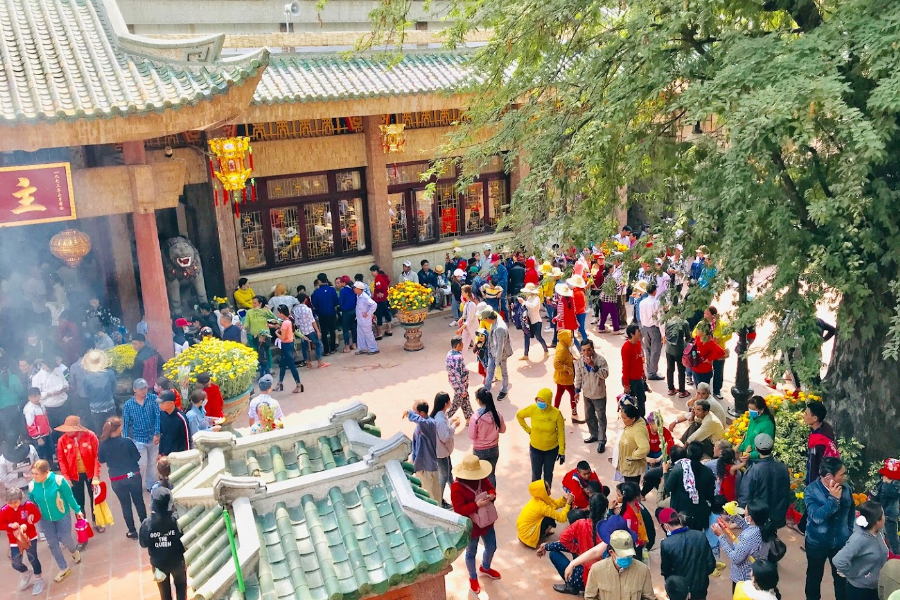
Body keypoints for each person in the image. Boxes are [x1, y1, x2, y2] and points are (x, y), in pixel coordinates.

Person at [805, 456, 855, 600]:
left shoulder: (846, 489)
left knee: (841, 580)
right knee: (814, 578)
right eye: (842, 474)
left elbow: (851, 512)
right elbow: (816, 517)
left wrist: (849, 532)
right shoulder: (811, 490)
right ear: (828, 476)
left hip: (840, 544)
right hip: (816, 543)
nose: (845, 477)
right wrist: (833, 500)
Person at [537, 492, 607, 594]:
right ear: (605, 510)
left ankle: (570, 586)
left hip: (581, 579)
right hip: (602, 580)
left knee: (553, 553)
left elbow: (564, 540)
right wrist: (547, 546)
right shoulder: (609, 528)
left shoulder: (580, 524)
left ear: (589, 508)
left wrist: (577, 549)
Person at [450, 454, 500, 594]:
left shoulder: (481, 478)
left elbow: (490, 487)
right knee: (471, 553)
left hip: (487, 522)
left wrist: (492, 494)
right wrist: (476, 505)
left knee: (492, 546)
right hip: (471, 526)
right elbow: (459, 509)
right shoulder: (456, 488)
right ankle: (473, 577)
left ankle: (485, 567)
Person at [27, 460, 82, 582]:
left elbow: (69, 497)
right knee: (52, 543)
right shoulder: (32, 486)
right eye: (33, 474)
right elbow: (31, 503)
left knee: (65, 538)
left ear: (46, 472)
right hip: (45, 519)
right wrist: (31, 513)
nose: (34, 477)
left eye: (37, 474)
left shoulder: (59, 481)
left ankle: (74, 551)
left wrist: (78, 510)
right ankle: (63, 568)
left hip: (62, 515)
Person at [98, 417, 146, 540]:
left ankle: (132, 531)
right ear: (118, 428)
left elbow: (101, 459)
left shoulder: (103, 444)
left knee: (125, 505)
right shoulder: (127, 442)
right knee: (139, 502)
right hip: (133, 476)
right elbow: (137, 456)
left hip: (116, 479)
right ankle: (145, 528)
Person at [711, 500, 776, 587]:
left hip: (744, 578)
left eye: (744, 513)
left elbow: (735, 558)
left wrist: (721, 536)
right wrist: (732, 514)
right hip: (756, 570)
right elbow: (746, 525)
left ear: (749, 518)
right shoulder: (763, 526)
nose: (743, 513)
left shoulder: (748, 537)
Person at [54, 416, 102, 532]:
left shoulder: (90, 435)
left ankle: (97, 521)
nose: (67, 432)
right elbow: (62, 460)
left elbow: (97, 456)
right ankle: (82, 525)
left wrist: (96, 474)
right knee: (78, 503)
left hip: (91, 474)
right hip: (74, 476)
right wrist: (66, 477)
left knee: (95, 499)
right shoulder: (62, 440)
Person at [833, 500, 889, 600]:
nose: (885, 518)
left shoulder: (879, 532)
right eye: (883, 515)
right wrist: (854, 574)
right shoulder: (859, 539)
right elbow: (839, 560)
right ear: (877, 521)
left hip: (875, 586)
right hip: (860, 590)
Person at [140, 487, 187, 600]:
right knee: (181, 589)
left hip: (158, 565)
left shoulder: (147, 524)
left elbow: (143, 543)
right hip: (177, 562)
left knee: (164, 593)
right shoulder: (176, 520)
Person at [659, 508, 716, 600]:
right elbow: (711, 564)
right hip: (700, 588)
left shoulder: (666, 544)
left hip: (680, 591)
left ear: (665, 526)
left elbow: (666, 571)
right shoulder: (700, 535)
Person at [583, 529, 657, 600]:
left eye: (629, 555)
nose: (627, 558)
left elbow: (649, 598)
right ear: (612, 553)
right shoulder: (597, 570)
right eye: (623, 555)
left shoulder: (642, 570)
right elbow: (590, 597)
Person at [737, 434, 790, 528]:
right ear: (772, 447)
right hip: (777, 516)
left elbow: (744, 496)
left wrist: (743, 516)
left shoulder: (754, 470)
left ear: (756, 449)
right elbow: (786, 493)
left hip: (759, 517)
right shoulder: (783, 467)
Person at [517, 388, 566, 487]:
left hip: (551, 450)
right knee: (536, 475)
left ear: (548, 401)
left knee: (548, 474)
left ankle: (546, 497)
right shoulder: (532, 409)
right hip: (535, 449)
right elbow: (519, 415)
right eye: (538, 400)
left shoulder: (556, 414)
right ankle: (536, 499)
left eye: (543, 401)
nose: (540, 403)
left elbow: (561, 433)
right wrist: (528, 430)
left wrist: (562, 451)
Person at [0, 486, 45, 595]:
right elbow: (1, 524)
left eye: (16, 502)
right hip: (14, 540)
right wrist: (10, 525)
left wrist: (32, 517)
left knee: (33, 558)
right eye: (10, 503)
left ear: (21, 499)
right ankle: (25, 572)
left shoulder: (28, 505)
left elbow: (38, 516)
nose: (14, 505)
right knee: (15, 561)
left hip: (30, 537)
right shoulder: (4, 510)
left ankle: (39, 579)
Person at [665, 442, 716, 531]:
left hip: (680, 511)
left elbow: (668, 487)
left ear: (688, 452)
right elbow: (710, 494)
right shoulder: (707, 472)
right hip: (698, 512)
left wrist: (665, 472)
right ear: (702, 455)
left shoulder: (679, 468)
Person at [122, 378, 161, 491]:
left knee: (152, 463)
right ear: (134, 389)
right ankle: (136, 485)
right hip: (138, 438)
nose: (143, 390)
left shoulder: (153, 399)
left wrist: (157, 433)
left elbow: (158, 416)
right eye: (141, 388)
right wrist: (125, 441)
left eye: (145, 388)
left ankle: (150, 485)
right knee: (141, 463)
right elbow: (126, 423)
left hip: (152, 436)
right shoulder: (128, 405)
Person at [575, 339, 611, 453]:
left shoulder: (600, 360)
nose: (586, 353)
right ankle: (594, 434)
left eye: (588, 350)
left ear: (593, 349)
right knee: (589, 416)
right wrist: (577, 391)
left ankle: (601, 440)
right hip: (587, 394)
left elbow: (605, 374)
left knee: (601, 418)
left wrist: (593, 366)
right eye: (583, 350)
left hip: (598, 393)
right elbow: (579, 377)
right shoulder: (580, 362)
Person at [402, 401, 441, 503]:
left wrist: (409, 413)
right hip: (420, 465)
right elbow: (416, 444)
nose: (414, 414)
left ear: (422, 413)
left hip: (429, 467)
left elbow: (421, 421)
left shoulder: (430, 424)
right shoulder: (420, 426)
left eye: (415, 412)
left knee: (432, 497)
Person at [517, 479, 574, 548]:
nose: (550, 489)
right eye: (548, 488)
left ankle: (543, 533)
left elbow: (555, 504)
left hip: (523, 532)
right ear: (543, 491)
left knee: (550, 515)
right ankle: (536, 541)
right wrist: (568, 503)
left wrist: (563, 499)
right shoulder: (542, 506)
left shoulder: (539, 498)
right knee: (551, 519)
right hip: (528, 536)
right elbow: (562, 518)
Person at [469, 388, 505, 488]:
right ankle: (492, 497)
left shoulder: (476, 417)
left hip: (480, 450)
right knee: (491, 474)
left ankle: (481, 498)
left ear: (479, 401)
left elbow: (472, 436)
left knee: (479, 476)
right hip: (494, 448)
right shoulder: (497, 414)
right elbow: (502, 430)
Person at [692, 307, 731, 399]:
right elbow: (694, 334)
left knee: (718, 371)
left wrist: (720, 338)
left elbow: (729, 335)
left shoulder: (722, 324)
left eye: (707, 314)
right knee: (704, 373)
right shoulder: (701, 324)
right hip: (705, 351)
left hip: (716, 350)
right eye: (704, 313)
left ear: (713, 315)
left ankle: (717, 390)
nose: (705, 315)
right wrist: (702, 339)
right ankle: (702, 393)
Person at [31, 358, 68, 447]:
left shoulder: (58, 371)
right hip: (49, 408)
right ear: (43, 365)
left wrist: (64, 388)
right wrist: (50, 393)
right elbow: (36, 395)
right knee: (54, 431)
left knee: (65, 429)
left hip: (63, 404)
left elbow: (65, 383)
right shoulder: (37, 378)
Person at [80, 349, 117, 436]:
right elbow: (114, 389)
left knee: (100, 432)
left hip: (95, 409)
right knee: (113, 429)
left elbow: (86, 394)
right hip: (109, 405)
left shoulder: (86, 378)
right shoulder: (110, 373)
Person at [431, 393, 458, 507]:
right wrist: (454, 426)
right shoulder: (440, 419)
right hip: (441, 453)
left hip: (443, 451)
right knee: (444, 477)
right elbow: (445, 436)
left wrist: (451, 421)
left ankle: (456, 493)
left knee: (448, 473)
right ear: (446, 403)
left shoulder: (440, 416)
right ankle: (439, 501)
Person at [804, 401, 838, 486]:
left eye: (806, 414)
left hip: (818, 482)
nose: (804, 416)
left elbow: (814, 464)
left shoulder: (818, 440)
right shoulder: (826, 428)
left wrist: (810, 484)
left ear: (815, 418)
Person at [482, 310, 513, 400]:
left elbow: (500, 346)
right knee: (489, 372)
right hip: (492, 351)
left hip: (501, 355)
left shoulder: (500, 328)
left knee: (503, 372)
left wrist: (498, 362)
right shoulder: (494, 322)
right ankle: (486, 389)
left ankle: (504, 390)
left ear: (488, 318)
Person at [617, 402, 650, 485]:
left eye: (625, 418)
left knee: (631, 490)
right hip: (626, 464)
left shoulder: (638, 430)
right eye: (622, 418)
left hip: (631, 467)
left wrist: (632, 456)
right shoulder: (632, 423)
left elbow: (644, 448)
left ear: (633, 418)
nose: (623, 420)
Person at [872, 458, 900, 555]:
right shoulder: (882, 480)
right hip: (879, 514)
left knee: (892, 540)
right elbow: (875, 494)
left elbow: (895, 493)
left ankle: (896, 559)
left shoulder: (896, 484)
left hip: (889, 516)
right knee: (878, 539)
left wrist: (887, 483)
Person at [273, 305, 304, 393]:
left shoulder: (285, 323)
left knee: (291, 366)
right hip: (288, 344)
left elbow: (282, 338)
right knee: (283, 365)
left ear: (281, 313)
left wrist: (276, 333)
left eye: (279, 312)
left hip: (286, 345)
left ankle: (298, 384)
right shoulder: (289, 320)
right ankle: (280, 383)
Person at [554, 330, 582, 422]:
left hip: (560, 377)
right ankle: (574, 414)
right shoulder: (562, 349)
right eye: (570, 337)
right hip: (565, 378)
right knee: (573, 394)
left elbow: (562, 359)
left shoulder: (562, 345)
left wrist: (571, 358)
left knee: (559, 394)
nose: (571, 339)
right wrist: (567, 368)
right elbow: (556, 363)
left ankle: (554, 414)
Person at [638, 282, 664, 380]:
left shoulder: (642, 302)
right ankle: (652, 373)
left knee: (648, 349)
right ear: (655, 291)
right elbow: (661, 319)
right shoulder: (656, 303)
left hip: (645, 328)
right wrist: (663, 334)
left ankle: (650, 369)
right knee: (655, 351)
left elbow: (640, 316)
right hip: (654, 328)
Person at [517, 283, 550, 358]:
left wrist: (524, 302)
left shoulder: (536, 298)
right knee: (526, 337)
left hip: (536, 321)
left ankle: (546, 350)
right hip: (529, 321)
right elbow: (525, 307)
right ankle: (526, 354)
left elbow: (533, 306)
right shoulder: (529, 298)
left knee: (538, 337)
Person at [621, 324, 647, 417]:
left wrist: (643, 373)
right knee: (631, 403)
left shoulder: (638, 343)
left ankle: (642, 418)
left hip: (639, 378)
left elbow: (640, 360)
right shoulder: (626, 348)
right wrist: (627, 384)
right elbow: (625, 367)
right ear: (632, 334)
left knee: (642, 400)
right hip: (631, 380)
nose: (640, 333)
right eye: (638, 331)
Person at [446, 337, 473, 421]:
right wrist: (463, 389)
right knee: (456, 403)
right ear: (458, 345)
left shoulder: (450, 353)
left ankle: (469, 416)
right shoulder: (458, 357)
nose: (463, 345)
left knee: (465, 400)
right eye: (462, 344)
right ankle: (444, 418)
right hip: (460, 384)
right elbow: (458, 374)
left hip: (453, 381)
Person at [310, 274, 339, 355]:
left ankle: (326, 350)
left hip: (322, 314)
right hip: (331, 312)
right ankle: (333, 348)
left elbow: (314, 304)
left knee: (324, 332)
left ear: (319, 281)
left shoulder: (316, 292)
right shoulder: (332, 290)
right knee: (332, 330)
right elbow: (336, 301)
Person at [664, 312, 691, 397]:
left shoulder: (668, 322)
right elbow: (688, 337)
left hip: (668, 349)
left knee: (670, 369)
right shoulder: (684, 322)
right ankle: (682, 391)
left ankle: (671, 389)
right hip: (679, 350)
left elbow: (666, 334)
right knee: (681, 370)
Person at [23, 388, 51, 463]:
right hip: (38, 435)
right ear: (28, 398)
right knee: (40, 453)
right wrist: (37, 437)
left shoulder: (41, 404)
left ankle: (50, 464)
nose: (34, 399)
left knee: (49, 450)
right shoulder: (29, 409)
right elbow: (30, 425)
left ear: (39, 395)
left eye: (36, 396)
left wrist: (49, 427)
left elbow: (45, 417)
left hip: (46, 432)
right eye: (31, 397)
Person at [157, 392, 190, 456]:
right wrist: (160, 453)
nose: (160, 405)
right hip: (165, 453)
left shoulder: (181, 418)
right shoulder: (161, 415)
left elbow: (187, 440)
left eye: (163, 403)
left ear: (171, 403)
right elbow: (162, 435)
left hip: (178, 455)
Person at [353, 282, 380, 355]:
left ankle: (374, 349)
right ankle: (362, 348)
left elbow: (374, 305)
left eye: (355, 288)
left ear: (359, 289)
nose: (354, 289)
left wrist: (368, 313)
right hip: (360, 319)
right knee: (360, 334)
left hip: (365, 320)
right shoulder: (358, 296)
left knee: (368, 334)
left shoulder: (365, 297)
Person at [369, 265, 393, 337]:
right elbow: (387, 282)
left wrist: (378, 292)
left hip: (379, 300)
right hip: (385, 299)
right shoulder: (383, 276)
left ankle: (379, 333)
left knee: (379, 316)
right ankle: (389, 330)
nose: (372, 273)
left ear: (376, 271)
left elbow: (378, 286)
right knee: (387, 314)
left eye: (372, 272)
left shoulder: (378, 278)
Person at [336, 276, 357, 352]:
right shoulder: (353, 289)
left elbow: (340, 302)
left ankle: (347, 347)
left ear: (344, 283)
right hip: (353, 311)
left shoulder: (343, 291)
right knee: (353, 328)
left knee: (345, 330)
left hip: (346, 312)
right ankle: (354, 344)